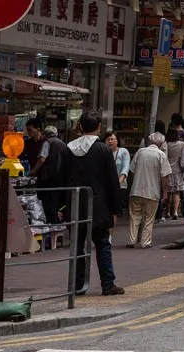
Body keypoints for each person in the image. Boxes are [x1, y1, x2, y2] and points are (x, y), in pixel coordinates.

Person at [67, 114, 124, 295]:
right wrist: (116, 209)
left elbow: (63, 178)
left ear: (81, 127)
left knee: (77, 246)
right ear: (99, 126)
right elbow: (112, 182)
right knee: (102, 245)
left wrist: (62, 206)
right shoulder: (103, 150)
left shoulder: (69, 148)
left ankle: (77, 285)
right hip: (99, 206)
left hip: (75, 204)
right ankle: (107, 283)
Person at [126, 132, 170, 248]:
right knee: (149, 218)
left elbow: (132, 170)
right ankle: (145, 242)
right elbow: (164, 176)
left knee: (135, 216)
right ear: (161, 143)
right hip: (152, 192)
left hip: (136, 189)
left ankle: (132, 239)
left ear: (150, 141)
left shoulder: (140, 152)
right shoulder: (161, 155)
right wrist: (165, 193)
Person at [34, 124, 70, 226]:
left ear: (45, 134)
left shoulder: (47, 142)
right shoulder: (64, 145)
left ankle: (51, 226)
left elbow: (42, 158)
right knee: (57, 204)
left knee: (49, 205)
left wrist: (34, 170)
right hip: (60, 180)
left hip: (48, 179)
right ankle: (57, 227)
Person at [107, 133, 130, 228]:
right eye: (108, 139)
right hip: (106, 187)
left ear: (117, 140)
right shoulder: (103, 152)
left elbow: (125, 168)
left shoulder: (123, 152)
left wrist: (118, 183)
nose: (110, 141)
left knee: (113, 212)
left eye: (112, 139)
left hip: (119, 187)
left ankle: (110, 236)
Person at [166, 129, 184, 219]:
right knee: (176, 191)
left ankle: (167, 211)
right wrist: (183, 167)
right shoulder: (182, 144)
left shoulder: (167, 145)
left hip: (168, 170)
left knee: (168, 192)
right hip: (178, 170)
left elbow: (165, 156)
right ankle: (175, 212)